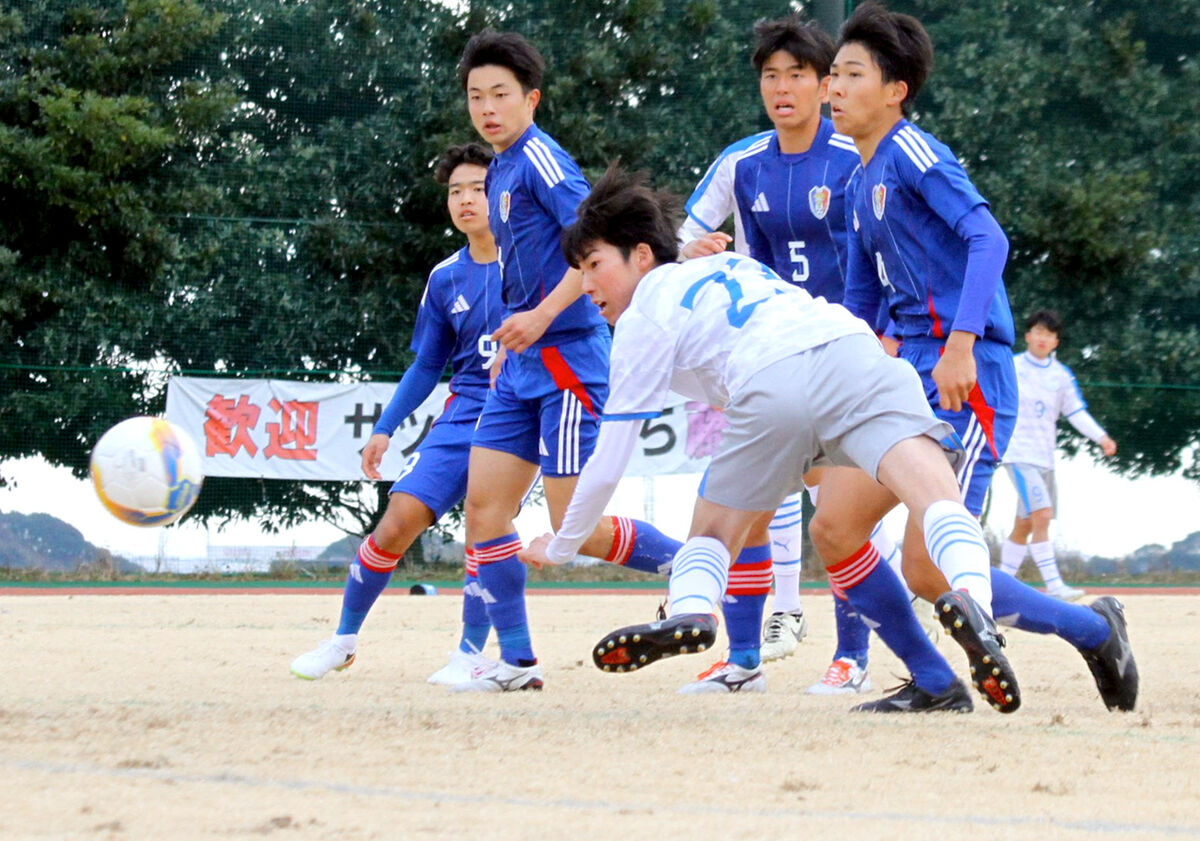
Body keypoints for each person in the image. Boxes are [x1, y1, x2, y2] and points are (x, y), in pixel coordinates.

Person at [523, 164, 1022, 714]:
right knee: (937, 498)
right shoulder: (731, 264)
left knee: (713, 533)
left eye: (593, 266)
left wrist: (566, 542)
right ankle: (974, 599)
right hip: (855, 351)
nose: (586, 286)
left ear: (642, 255)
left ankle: (692, 609)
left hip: (768, 382)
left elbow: (612, 453)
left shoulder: (644, 315)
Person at [828, 1, 1136, 711]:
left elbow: (988, 240)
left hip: (965, 375)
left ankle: (1093, 628)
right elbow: (860, 306)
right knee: (836, 524)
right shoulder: (854, 185)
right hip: (907, 380)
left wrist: (961, 343)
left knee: (929, 564)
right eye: (832, 75)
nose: (832, 88)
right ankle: (939, 680)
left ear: (896, 88)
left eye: (850, 74)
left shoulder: (915, 153)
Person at [452, 30, 681, 692]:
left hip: (571, 360)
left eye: (501, 94)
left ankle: (695, 568)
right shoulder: (498, 169)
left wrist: (543, 317)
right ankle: (517, 661)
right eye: (476, 96)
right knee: (483, 511)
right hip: (521, 365)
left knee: (572, 528)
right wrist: (506, 337)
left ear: (532, 98)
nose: (487, 108)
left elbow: (595, 248)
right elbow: (520, 264)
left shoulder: (545, 162)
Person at [677, 15, 896, 692]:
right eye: (770, 76)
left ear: (825, 83)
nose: (782, 88)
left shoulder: (855, 156)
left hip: (842, 359)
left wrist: (884, 339)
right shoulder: (741, 162)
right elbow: (676, 239)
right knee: (744, 503)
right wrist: (695, 252)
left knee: (838, 517)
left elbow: (889, 253)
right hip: (769, 358)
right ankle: (744, 660)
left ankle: (851, 656)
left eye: (797, 74)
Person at [290, 143, 506, 685]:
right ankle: (342, 641)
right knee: (396, 523)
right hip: (461, 417)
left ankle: (471, 654)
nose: (465, 200)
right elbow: (427, 365)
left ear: (503, 192)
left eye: (478, 188)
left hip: (517, 415)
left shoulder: (537, 262)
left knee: (485, 527)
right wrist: (385, 429)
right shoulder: (444, 278)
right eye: (455, 191)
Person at [999, 309, 1117, 600]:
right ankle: (1054, 586)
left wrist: (1101, 437)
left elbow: (1075, 412)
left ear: (1056, 342)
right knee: (1042, 513)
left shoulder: (1061, 376)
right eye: (1037, 331)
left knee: (1026, 523)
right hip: (1018, 454)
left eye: (1049, 334)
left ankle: (997, 586)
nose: (1042, 338)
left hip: (1045, 458)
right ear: (1027, 336)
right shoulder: (1011, 367)